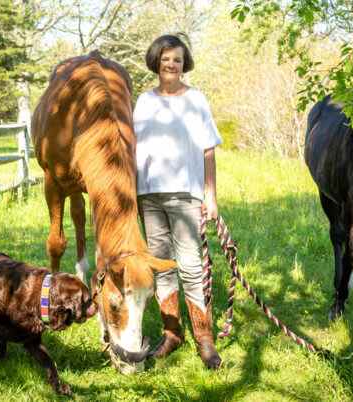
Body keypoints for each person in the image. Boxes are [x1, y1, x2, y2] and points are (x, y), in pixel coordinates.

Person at [134, 34, 222, 370]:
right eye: (167, 58)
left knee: (190, 265)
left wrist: (210, 195)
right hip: (149, 195)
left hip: (185, 194)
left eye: (178, 60)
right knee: (162, 266)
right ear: (156, 60)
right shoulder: (143, 101)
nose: (172, 64)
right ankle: (172, 333)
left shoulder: (196, 100)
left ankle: (204, 338)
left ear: (185, 65)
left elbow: (208, 149)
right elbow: (133, 149)